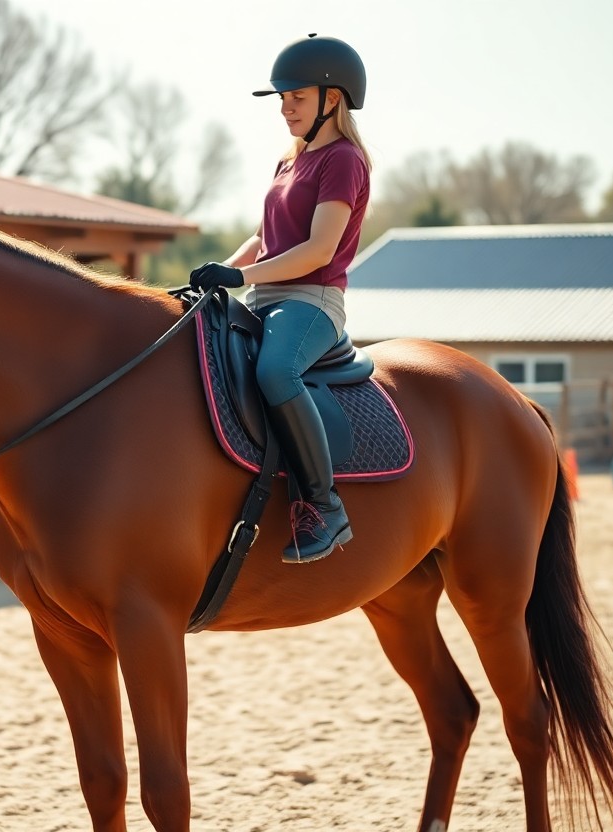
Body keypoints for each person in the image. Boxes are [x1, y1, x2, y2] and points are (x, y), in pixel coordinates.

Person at [190, 34, 371, 564]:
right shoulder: (289, 161)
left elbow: (317, 251)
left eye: (296, 96)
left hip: (312, 300)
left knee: (275, 372)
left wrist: (241, 274)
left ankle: (324, 506)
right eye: (281, 98)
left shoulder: (343, 160)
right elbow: (263, 235)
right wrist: (222, 270)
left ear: (331, 99)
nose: (285, 107)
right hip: (266, 294)